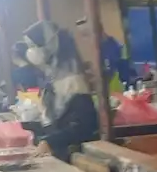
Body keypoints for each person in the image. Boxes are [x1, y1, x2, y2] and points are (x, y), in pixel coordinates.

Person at [20, 21, 99, 160]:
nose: (31, 51)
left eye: (33, 46)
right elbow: (54, 121)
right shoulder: (52, 76)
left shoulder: (73, 81)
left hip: (74, 155)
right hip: (58, 153)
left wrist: (50, 141)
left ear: (49, 46)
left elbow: (85, 125)